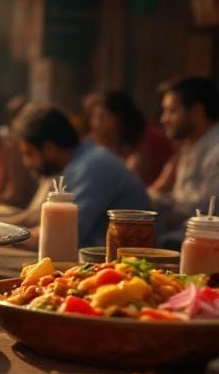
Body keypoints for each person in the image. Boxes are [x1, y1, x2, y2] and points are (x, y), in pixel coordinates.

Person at [13, 104, 151, 249]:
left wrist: (2, 238)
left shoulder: (92, 166)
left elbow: (59, 236)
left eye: (28, 154)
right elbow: (36, 216)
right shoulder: (78, 163)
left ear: (49, 148)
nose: (26, 162)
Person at [153, 76, 219, 237]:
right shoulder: (190, 145)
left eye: (172, 111)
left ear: (197, 111)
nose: (164, 119)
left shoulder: (216, 150)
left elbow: (206, 213)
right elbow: (180, 200)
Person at [86, 91, 172, 186]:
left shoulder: (149, 139)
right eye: (94, 117)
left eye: (102, 117)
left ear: (118, 118)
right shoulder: (102, 139)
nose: (96, 123)